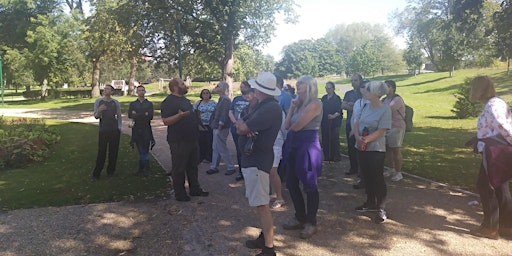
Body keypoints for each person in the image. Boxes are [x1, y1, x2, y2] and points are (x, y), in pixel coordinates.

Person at [235, 72, 282, 256]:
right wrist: (243, 126)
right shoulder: (262, 106)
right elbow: (243, 122)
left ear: (260, 89)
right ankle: (265, 238)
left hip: (257, 161)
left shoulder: (269, 108)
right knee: (259, 202)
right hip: (254, 160)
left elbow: (243, 126)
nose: (252, 90)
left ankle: (269, 248)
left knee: (262, 204)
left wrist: (244, 127)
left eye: (255, 87)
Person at [467, 76, 512, 239]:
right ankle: (507, 226)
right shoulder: (497, 102)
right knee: (500, 186)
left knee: (487, 187)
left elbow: (505, 128)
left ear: (479, 89)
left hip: (495, 152)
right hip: (500, 151)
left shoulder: (493, 105)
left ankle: (490, 227)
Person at [282, 75, 323, 239]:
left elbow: (296, 126)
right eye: (297, 83)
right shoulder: (298, 104)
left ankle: (311, 222)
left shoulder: (315, 104)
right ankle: (300, 217)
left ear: (310, 86)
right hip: (293, 144)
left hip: (307, 146)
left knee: (310, 184)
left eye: (301, 83)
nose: (297, 85)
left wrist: (292, 122)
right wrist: (292, 107)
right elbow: (286, 125)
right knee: (291, 183)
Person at [161, 78, 209, 202]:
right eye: (182, 84)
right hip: (178, 140)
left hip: (192, 138)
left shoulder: (185, 100)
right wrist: (179, 116)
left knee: (193, 166)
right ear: (175, 87)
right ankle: (180, 193)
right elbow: (166, 121)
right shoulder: (168, 102)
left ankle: (195, 189)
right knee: (179, 167)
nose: (185, 85)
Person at [353, 81, 391, 223]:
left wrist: (366, 139)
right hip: (362, 147)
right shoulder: (365, 106)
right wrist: (357, 137)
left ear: (375, 93)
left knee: (377, 177)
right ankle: (369, 202)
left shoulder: (385, 109)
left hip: (376, 149)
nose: (365, 91)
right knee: (366, 176)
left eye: (368, 90)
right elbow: (357, 122)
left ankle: (381, 207)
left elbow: (382, 130)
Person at [92, 84, 122, 180]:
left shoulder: (115, 102)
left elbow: (119, 116)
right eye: (104, 89)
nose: (105, 90)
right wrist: (100, 110)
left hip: (114, 130)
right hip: (103, 130)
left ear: (112, 92)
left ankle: (111, 171)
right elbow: (96, 116)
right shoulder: (99, 101)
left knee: (113, 152)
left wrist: (119, 127)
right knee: (102, 151)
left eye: (108, 89)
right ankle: (96, 174)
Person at [207, 82, 236, 175]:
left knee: (221, 147)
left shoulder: (225, 100)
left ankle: (230, 166)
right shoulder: (221, 99)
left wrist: (220, 126)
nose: (216, 87)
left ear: (223, 88)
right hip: (217, 126)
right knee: (215, 147)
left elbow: (224, 114)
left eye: (218, 86)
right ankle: (214, 166)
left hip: (221, 128)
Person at [381, 80, 406, 182]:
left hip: (396, 126)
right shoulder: (384, 99)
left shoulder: (397, 99)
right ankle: (391, 168)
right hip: (387, 127)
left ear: (393, 88)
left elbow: (388, 111)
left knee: (396, 149)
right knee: (387, 149)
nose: (386, 88)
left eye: (388, 86)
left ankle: (398, 172)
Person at [128, 85, 155, 176]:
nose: (141, 92)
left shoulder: (149, 104)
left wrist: (137, 114)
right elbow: (130, 115)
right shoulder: (133, 104)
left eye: (143, 90)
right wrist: (144, 114)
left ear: (145, 92)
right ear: (137, 92)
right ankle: (142, 167)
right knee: (140, 148)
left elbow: (150, 116)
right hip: (136, 129)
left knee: (145, 148)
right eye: (139, 90)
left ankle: (146, 167)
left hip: (146, 128)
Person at [342, 74, 364, 175]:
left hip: (361, 124)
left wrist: (352, 105)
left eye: (355, 80)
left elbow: (363, 108)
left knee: (360, 147)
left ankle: (361, 169)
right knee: (351, 146)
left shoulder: (363, 93)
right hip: (349, 122)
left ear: (360, 81)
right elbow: (343, 105)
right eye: (352, 80)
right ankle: (353, 168)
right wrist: (354, 106)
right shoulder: (348, 93)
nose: (353, 82)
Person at [229, 81, 251, 181]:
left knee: (248, 149)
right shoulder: (236, 99)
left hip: (247, 128)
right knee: (239, 150)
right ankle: (241, 172)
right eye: (241, 87)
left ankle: (248, 171)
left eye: (244, 87)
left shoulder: (251, 99)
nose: (242, 89)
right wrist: (235, 122)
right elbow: (230, 111)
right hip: (235, 128)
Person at [320, 81, 342, 162]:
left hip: (334, 122)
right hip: (325, 121)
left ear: (333, 88)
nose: (327, 90)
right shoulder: (324, 98)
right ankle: (327, 156)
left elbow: (339, 110)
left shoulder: (337, 98)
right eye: (326, 88)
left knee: (334, 139)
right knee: (325, 138)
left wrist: (333, 116)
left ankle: (335, 156)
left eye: (329, 88)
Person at [194, 88, 217, 163]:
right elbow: (193, 112)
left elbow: (217, 112)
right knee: (201, 141)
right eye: (204, 93)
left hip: (210, 125)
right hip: (201, 125)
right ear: (201, 95)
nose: (205, 94)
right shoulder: (198, 103)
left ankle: (209, 157)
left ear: (210, 94)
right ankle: (201, 156)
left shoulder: (213, 103)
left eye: (207, 93)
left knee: (210, 141)